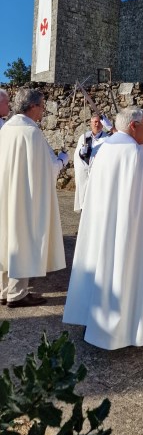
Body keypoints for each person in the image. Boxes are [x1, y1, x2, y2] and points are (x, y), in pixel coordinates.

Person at [63, 108, 143, 350]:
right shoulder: (133, 152)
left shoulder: (107, 147)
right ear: (133, 125)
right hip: (124, 227)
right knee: (121, 267)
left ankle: (93, 317)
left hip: (102, 220)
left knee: (101, 265)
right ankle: (119, 329)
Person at [0, 88, 68, 307]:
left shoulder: (6, 129)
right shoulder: (31, 132)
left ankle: (3, 290)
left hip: (5, 192)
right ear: (32, 106)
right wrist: (63, 161)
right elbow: (48, 168)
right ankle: (17, 294)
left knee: (5, 237)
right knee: (23, 237)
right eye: (41, 106)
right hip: (25, 197)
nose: (43, 110)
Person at [73, 113, 110, 212]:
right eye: (95, 122)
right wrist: (82, 153)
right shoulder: (84, 137)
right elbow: (77, 156)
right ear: (91, 123)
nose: (97, 124)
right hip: (84, 174)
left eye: (99, 122)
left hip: (98, 174)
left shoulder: (107, 139)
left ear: (102, 124)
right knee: (84, 201)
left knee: (96, 202)